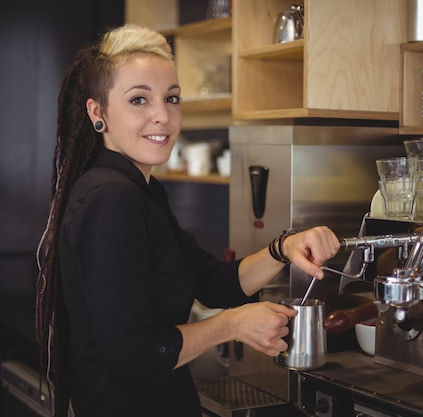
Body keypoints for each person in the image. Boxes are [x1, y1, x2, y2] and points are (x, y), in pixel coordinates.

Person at [35, 23, 340, 417]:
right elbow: (131, 354)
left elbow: (214, 283)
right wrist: (232, 326)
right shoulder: (112, 199)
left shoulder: (140, 191)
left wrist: (284, 248)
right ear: (98, 112)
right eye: (139, 100)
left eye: (172, 98)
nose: (162, 115)